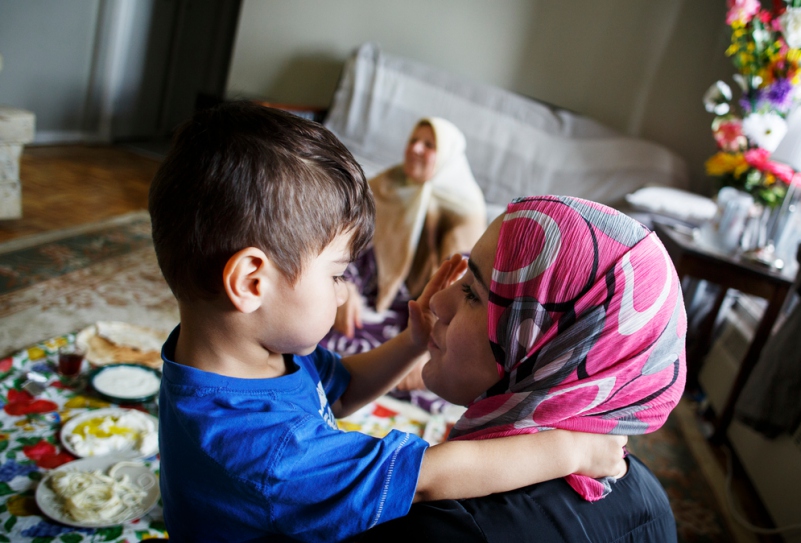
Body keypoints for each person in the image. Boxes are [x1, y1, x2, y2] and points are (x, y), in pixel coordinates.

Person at [147, 102, 627, 543]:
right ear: (253, 283)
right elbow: (427, 478)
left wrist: (413, 343)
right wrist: (572, 452)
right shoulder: (264, 449)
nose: (341, 292)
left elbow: (341, 387)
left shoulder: (241, 353)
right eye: (337, 274)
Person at [361, 195, 686, 542]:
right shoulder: (648, 497)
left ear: (553, 347)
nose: (438, 302)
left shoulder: (445, 524)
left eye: (472, 292)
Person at [321, 117, 487, 369]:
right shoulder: (386, 185)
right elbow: (347, 238)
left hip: (414, 312)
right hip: (362, 292)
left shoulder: (466, 211)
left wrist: (425, 348)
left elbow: (457, 286)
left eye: (429, 145)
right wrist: (344, 284)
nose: (415, 149)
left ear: (447, 157)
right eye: (413, 140)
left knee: (395, 366)